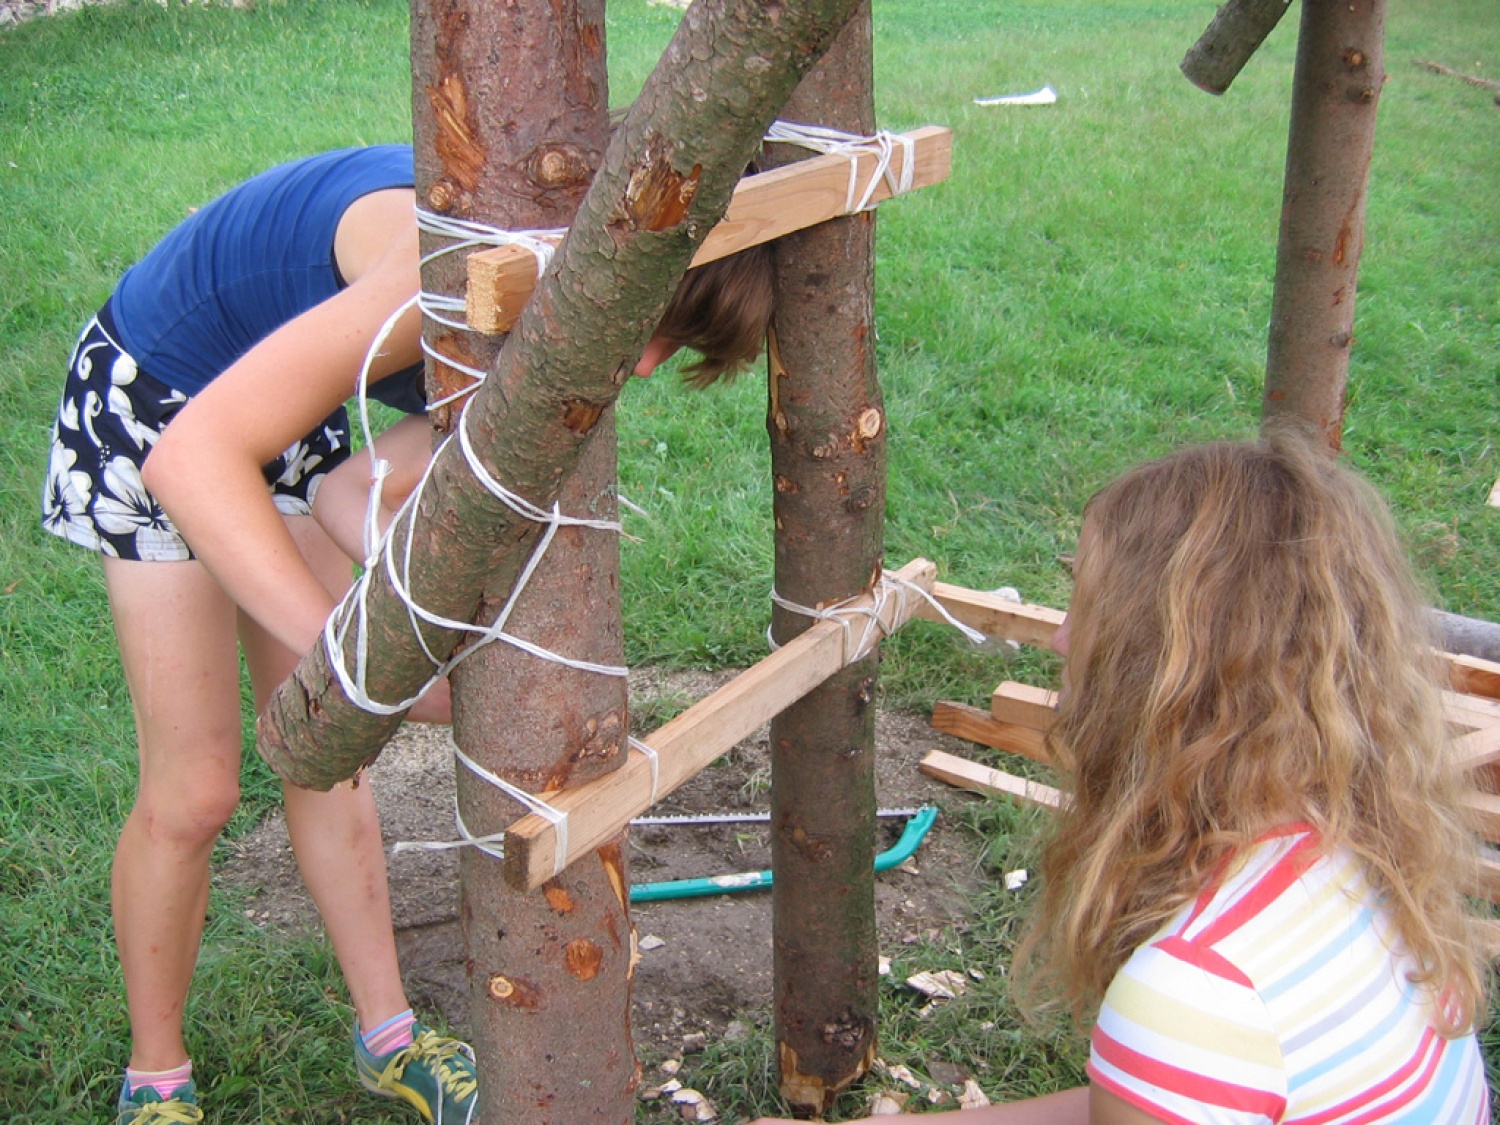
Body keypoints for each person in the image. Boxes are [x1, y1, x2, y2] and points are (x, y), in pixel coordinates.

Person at [40, 143, 772, 1125]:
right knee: (197, 787)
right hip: (157, 403)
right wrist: (360, 668)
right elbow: (193, 457)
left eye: (675, 349)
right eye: (660, 323)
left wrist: (393, 634)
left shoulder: (553, 287)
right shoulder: (445, 267)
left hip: (279, 401)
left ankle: (389, 1038)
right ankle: (155, 1079)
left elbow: (353, 487)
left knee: (330, 756)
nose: (645, 363)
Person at [754, 426, 1490, 1124]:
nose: (1061, 635)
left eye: (1094, 607)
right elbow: (1141, 1102)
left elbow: (1171, 1062)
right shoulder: (1350, 848)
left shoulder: (1199, 993)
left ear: (1168, 668)